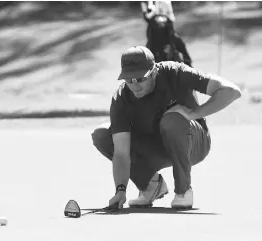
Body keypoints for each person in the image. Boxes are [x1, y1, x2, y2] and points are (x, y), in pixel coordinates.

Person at [91, 46, 241, 210]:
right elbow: (121, 152)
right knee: (102, 134)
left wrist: (194, 114)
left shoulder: (175, 72)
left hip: (194, 143)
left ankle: (183, 192)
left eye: (141, 78)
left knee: (172, 119)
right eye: (129, 79)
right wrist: (120, 189)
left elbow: (231, 91)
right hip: (157, 147)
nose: (135, 85)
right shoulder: (121, 98)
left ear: (154, 70)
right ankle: (151, 186)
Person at [141, 1, 193, 66]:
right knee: (149, 50)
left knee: (179, 42)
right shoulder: (145, 3)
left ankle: (187, 62)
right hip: (154, 32)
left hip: (167, 30)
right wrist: (155, 11)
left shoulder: (165, 3)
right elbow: (146, 17)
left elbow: (171, 16)